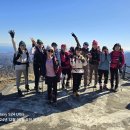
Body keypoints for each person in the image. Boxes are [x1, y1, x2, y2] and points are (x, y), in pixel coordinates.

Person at [9, 30, 30, 96]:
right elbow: (14, 44)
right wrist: (12, 37)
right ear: (19, 46)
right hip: (18, 68)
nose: (22, 46)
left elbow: (28, 59)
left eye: (23, 45)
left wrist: (28, 63)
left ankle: (27, 86)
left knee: (26, 78)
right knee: (18, 79)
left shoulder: (26, 52)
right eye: (21, 45)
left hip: (24, 67)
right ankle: (18, 89)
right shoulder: (17, 52)